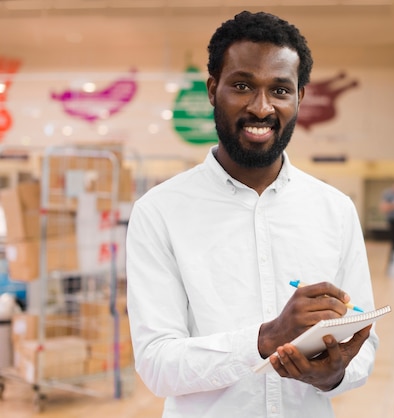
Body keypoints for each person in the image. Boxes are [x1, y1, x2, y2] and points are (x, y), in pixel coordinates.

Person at [126, 10, 379, 418]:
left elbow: (364, 340)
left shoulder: (334, 210)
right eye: (242, 86)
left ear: (299, 97)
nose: (261, 108)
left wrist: (334, 374)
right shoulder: (160, 212)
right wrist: (265, 339)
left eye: (280, 90)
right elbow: (156, 364)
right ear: (213, 90)